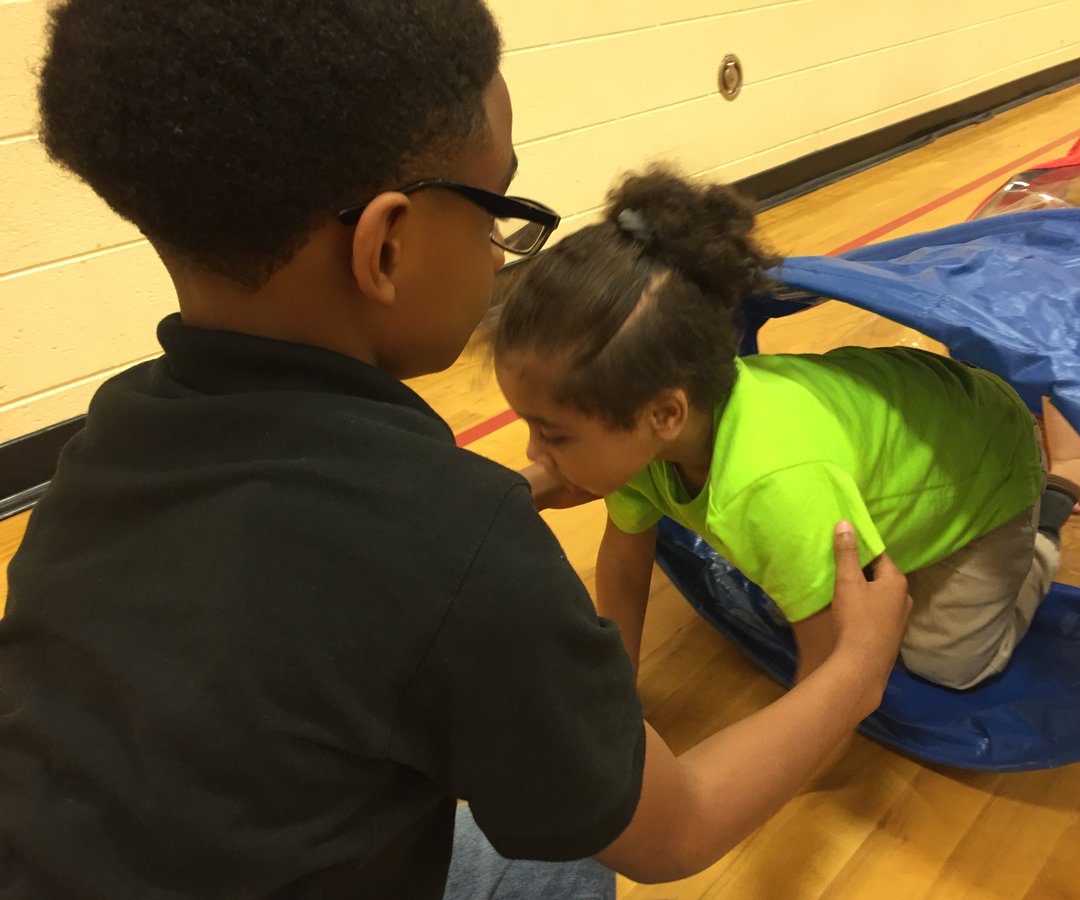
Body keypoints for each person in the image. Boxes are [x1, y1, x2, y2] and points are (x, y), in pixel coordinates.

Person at [0, 2, 910, 897]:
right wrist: (855, 674)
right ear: (385, 246)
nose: (499, 250)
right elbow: (677, 830)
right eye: (495, 213)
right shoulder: (452, 535)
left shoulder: (106, 440)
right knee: (567, 851)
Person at [493, 166, 1080, 691]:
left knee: (947, 666)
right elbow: (624, 558)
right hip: (906, 449)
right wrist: (614, 689)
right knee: (803, 584)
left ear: (664, 414)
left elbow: (832, 685)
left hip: (989, 472)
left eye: (553, 434)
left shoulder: (773, 485)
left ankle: (1043, 530)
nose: (532, 450)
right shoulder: (647, 434)